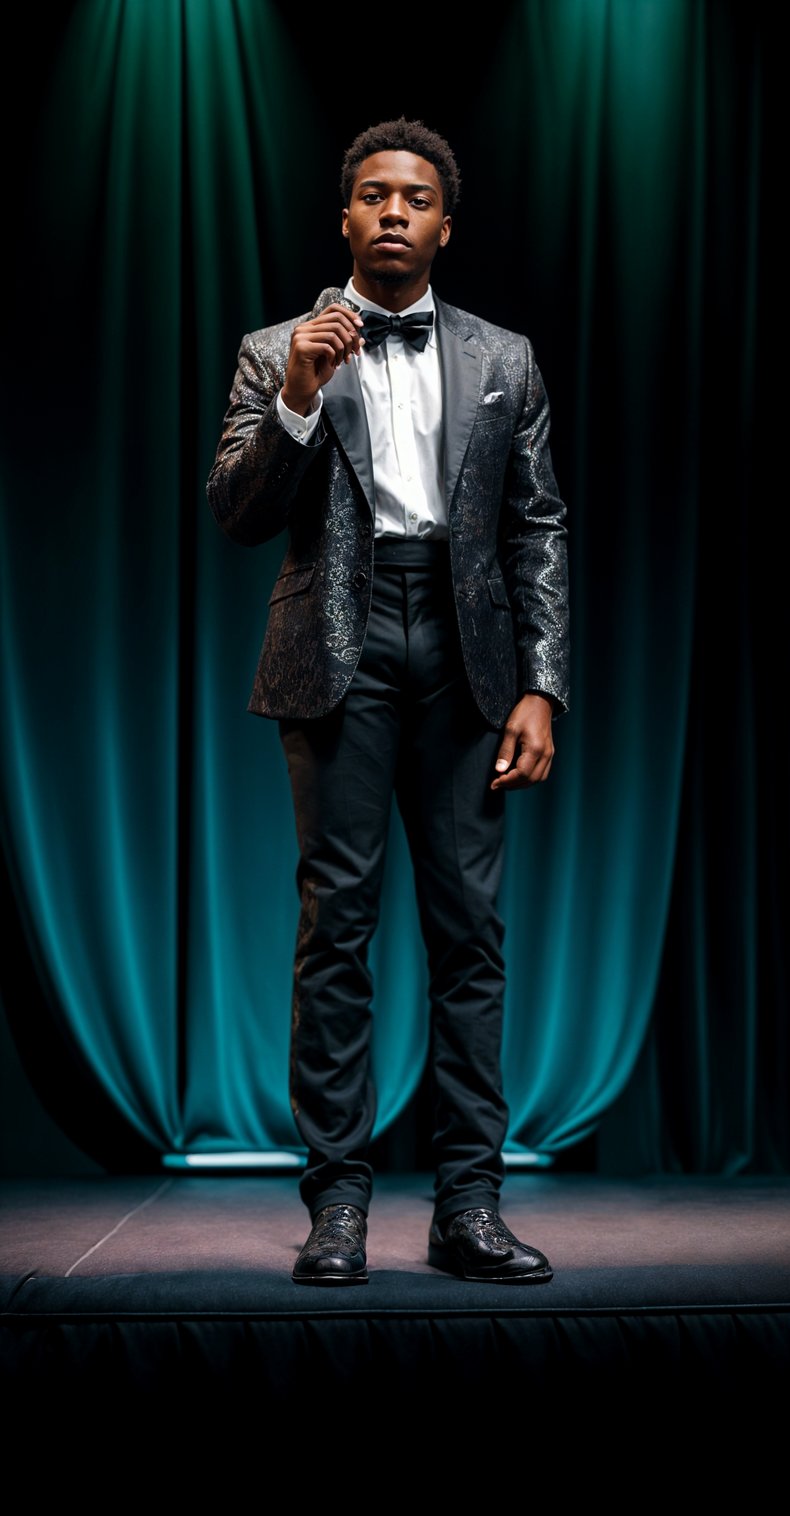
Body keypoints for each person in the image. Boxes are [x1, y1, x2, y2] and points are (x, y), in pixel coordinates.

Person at [206, 117, 569, 1285]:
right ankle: (339, 1208)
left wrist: (541, 687)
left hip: (468, 659)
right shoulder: (276, 349)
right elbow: (237, 511)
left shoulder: (504, 357)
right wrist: (302, 398)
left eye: (417, 196)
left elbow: (539, 528)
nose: (396, 211)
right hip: (336, 649)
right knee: (337, 934)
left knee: (472, 940)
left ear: (445, 224)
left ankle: (469, 1206)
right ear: (348, 219)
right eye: (374, 194)